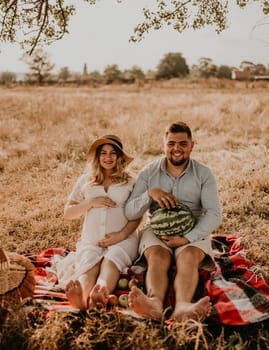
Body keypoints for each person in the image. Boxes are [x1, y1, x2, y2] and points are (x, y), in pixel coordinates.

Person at [125, 121, 222, 322]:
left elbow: (214, 214)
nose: (176, 149)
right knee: (157, 256)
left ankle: (183, 307)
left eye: (182, 144)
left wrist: (187, 238)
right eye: (171, 144)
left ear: (192, 145)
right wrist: (149, 194)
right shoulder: (149, 172)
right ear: (164, 145)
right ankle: (155, 303)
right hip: (157, 228)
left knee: (188, 257)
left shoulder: (204, 173)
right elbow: (130, 212)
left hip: (193, 226)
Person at [56, 135, 140, 310]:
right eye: (103, 153)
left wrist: (121, 235)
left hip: (123, 238)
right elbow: (68, 213)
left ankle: (99, 293)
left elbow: (138, 214)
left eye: (112, 153)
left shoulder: (131, 181)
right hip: (92, 238)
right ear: (97, 156)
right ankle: (81, 297)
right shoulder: (86, 180)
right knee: (89, 262)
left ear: (119, 157)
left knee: (112, 260)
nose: (108, 158)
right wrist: (90, 203)